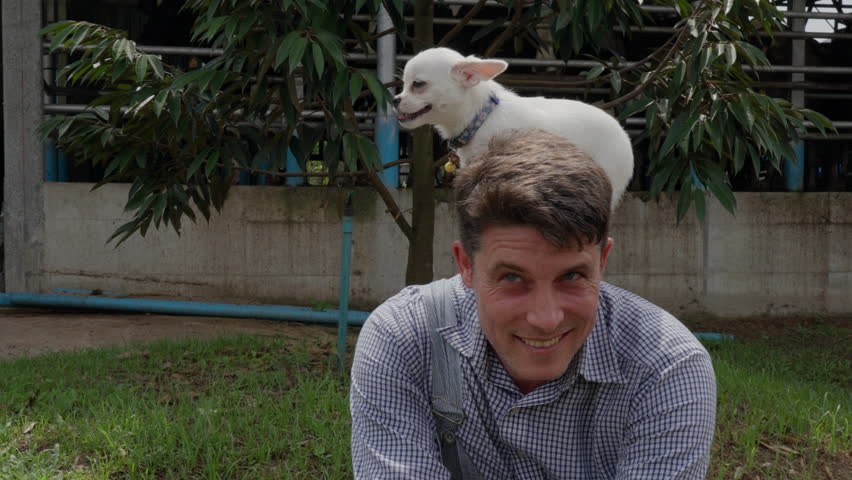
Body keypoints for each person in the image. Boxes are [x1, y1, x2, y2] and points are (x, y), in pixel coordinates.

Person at [349, 129, 716, 479]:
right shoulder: (406, 339)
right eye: (512, 278)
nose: (545, 319)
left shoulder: (667, 367)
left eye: (571, 277)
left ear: (602, 262)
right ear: (466, 266)